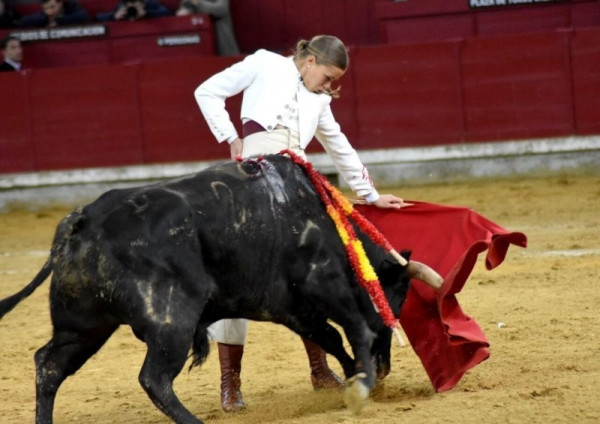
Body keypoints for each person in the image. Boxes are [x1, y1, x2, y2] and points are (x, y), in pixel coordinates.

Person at [194, 34, 409, 413]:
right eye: (327, 77)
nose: (328, 87)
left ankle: (320, 369)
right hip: (249, 182)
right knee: (235, 272)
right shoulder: (264, 63)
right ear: (310, 61)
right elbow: (206, 91)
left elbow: (339, 145)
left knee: (314, 274)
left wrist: (371, 194)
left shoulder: (319, 100)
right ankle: (230, 383)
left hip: (296, 189)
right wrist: (229, 136)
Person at [19, 0, 90, 27]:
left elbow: (83, 16)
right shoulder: (44, 14)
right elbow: (23, 22)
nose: (49, 12)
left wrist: (58, 22)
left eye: (52, 7)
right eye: (45, 8)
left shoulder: (71, 6)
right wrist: (46, 19)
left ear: (60, 3)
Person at [95, 0, 171, 21]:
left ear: (142, 4)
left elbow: (167, 12)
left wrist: (147, 13)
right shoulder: (121, 6)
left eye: (136, 6)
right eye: (130, 6)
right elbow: (98, 18)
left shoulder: (150, 4)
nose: (132, 9)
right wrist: (113, 16)